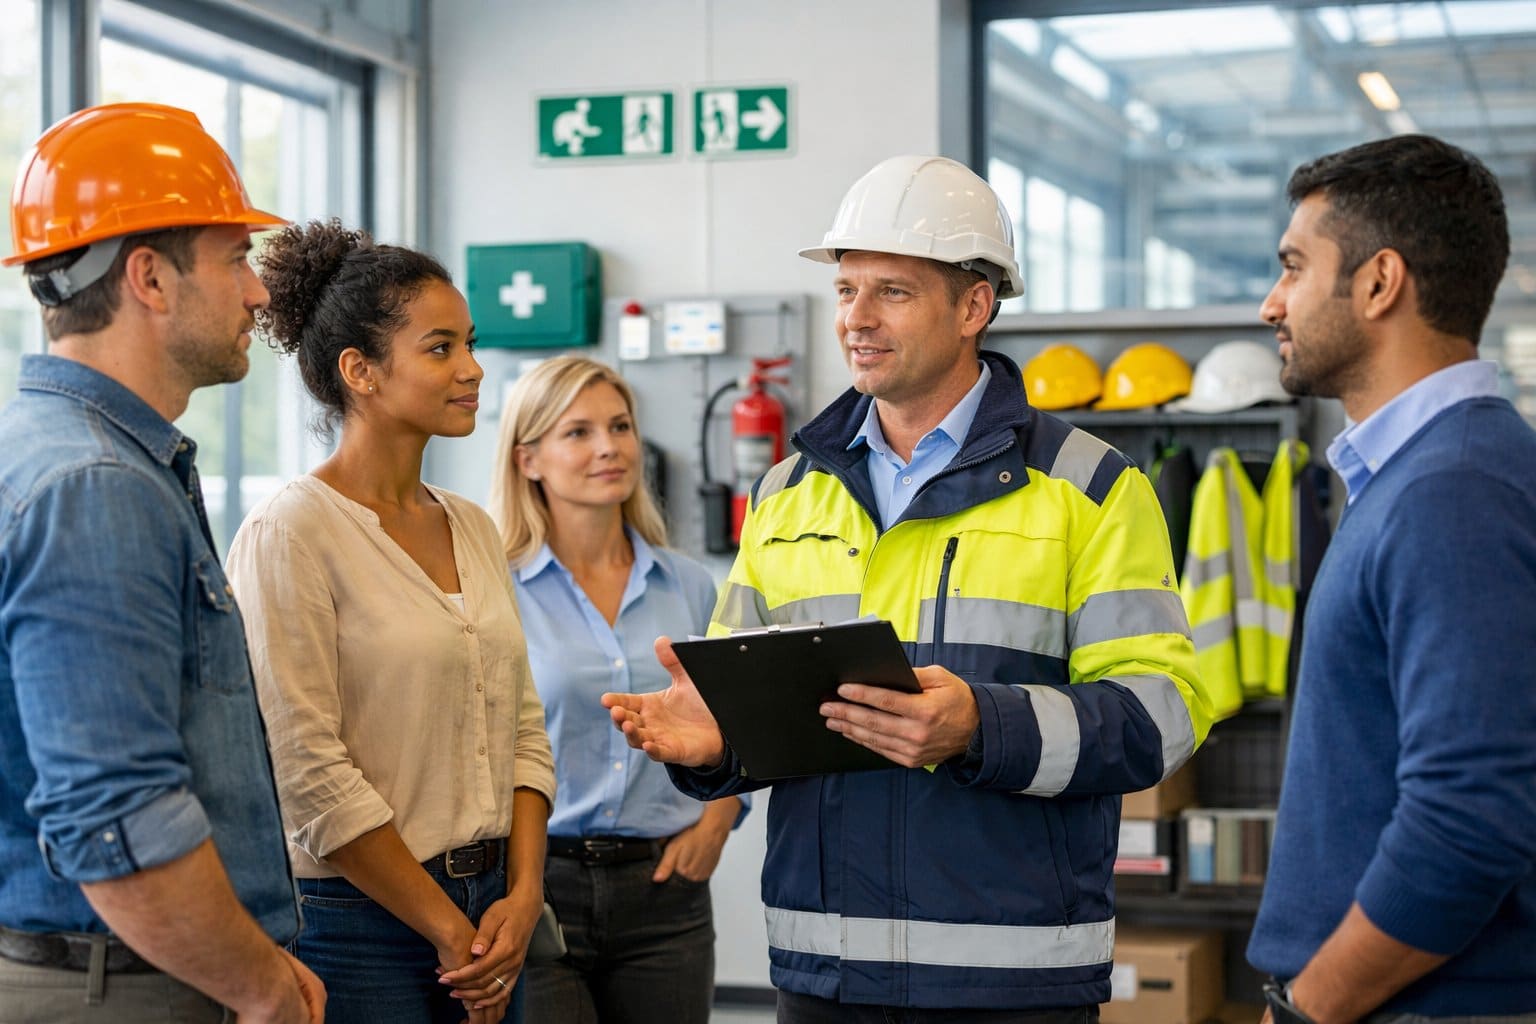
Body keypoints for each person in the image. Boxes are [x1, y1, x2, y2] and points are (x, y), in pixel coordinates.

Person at [603, 154, 1216, 1020]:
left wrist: (981, 725)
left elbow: (1166, 712)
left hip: (1012, 979)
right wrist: (716, 744)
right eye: (846, 290)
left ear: (975, 306)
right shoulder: (785, 495)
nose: (856, 318)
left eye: (891, 291)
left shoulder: (1090, 491)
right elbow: (763, 712)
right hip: (825, 974)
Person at [0, 103, 323, 1022]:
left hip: (143, 967)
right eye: (233, 259)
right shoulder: (93, 486)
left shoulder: (69, 455)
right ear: (149, 277)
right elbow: (117, 815)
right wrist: (258, 988)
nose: (258, 293)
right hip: (125, 984)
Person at [224, 219, 555, 1024]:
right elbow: (305, 771)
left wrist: (522, 896)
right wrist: (447, 931)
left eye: (469, 344)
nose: (473, 369)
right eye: (440, 349)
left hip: (494, 915)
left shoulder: (473, 526)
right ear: (360, 371)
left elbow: (521, 726)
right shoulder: (291, 533)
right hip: (357, 927)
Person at [1247, 136, 1536, 1023]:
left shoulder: (1452, 490)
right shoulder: (1425, 476)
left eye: (1294, 268)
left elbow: (1469, 822)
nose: (1271, 304)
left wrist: (1310, 1008)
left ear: (1379, 283)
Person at [487, 355, 749, 1023]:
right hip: (536, 886)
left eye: (621, 426)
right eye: (578, 432)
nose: (610, 447)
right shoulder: (495, 588)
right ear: (528, 460)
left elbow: (740, 724)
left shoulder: (688, 584)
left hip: (666, 892)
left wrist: (717, 824)